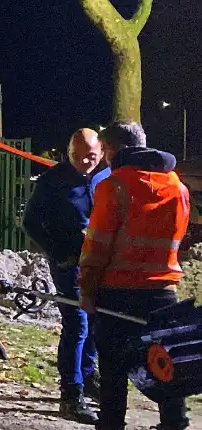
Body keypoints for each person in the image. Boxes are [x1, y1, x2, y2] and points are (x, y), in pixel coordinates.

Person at [80, 121, 190, 430]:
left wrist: (87, 291)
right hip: (162, 291)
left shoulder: (113, 186)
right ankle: (174, 423)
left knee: (114, 368)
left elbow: (97, 247)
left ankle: (112, 423)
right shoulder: (177, 187)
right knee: (164, 362)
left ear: (113, 150)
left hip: (117, 291)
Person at [21, 128, 110, 424]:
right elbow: (31, 222)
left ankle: (88, 375)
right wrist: (58, 253)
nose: (86, 161)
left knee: (97, 320)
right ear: (68, 153)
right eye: (78, 156)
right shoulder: (52, 182)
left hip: (100, 263)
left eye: (92, 156)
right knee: (77, 323)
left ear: (102, 152)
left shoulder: (105, 176)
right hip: (69, 263)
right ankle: (70, 394)